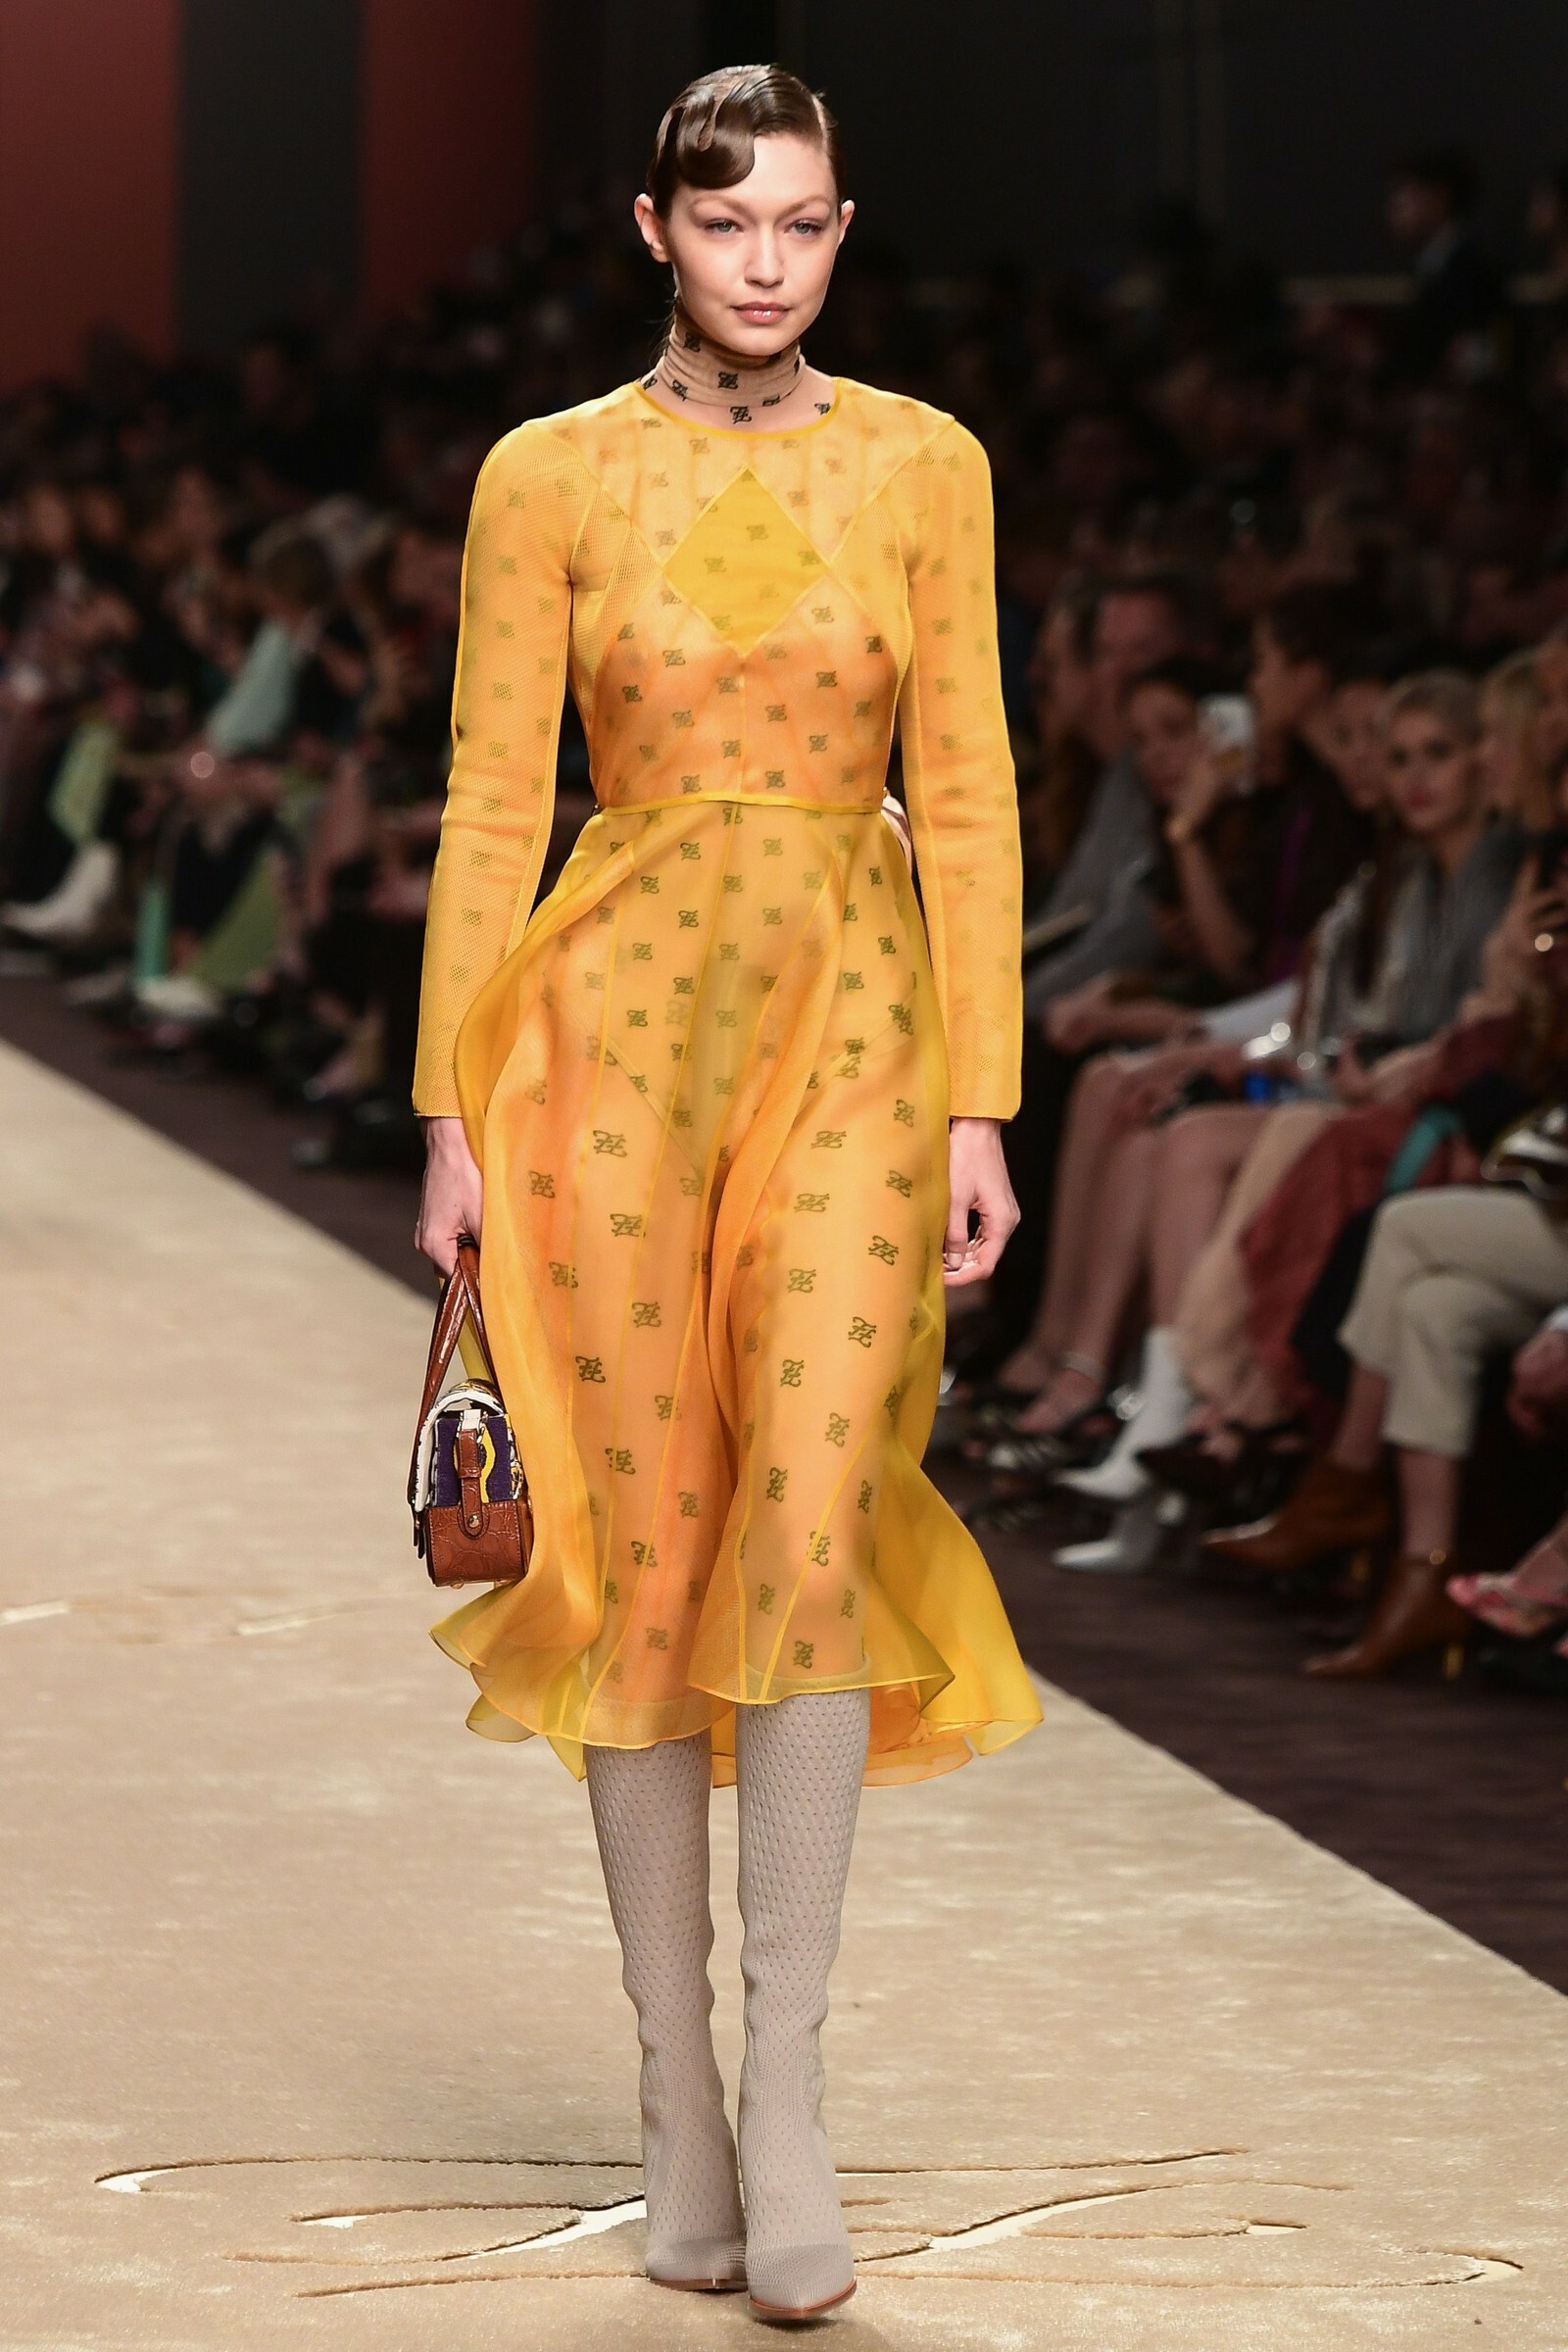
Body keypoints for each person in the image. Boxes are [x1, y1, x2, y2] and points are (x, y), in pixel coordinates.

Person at [410, 65, 1040, 2323]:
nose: (763, 262)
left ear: (841, 232)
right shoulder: (548, 473)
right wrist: (448, 1109)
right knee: (640, 1547)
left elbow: (968, 783)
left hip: (858, 1027)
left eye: (799, 224)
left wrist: (981, 1103)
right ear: (653, 233)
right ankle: (671, 2082)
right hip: (602, 1039)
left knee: (809, 1516)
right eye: (724, 222)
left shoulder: (924, 465)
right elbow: (493, 797)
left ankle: (788, 2091)